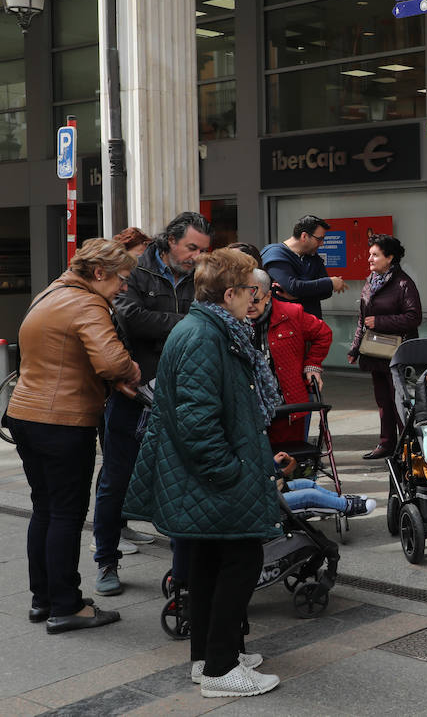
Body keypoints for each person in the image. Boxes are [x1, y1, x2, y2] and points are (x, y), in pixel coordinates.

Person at [124, 248, 283, 698]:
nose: (256, 299)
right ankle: (219, 670)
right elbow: (198, 420)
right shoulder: (204, 336)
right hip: (212, 474)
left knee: (212, 562)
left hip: (206, 473)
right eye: (250, 291)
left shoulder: (211, 328)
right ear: (229, 293)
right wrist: (227, 471)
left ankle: (213, 655)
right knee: (240, 561)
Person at [4, 238, 140, 633]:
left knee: (44, 509)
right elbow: (112, 360)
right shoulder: (87, 303)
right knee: (66, 513)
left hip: (25, 415)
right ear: (99, 273)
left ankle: (42, 599)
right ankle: (68, 606)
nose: (123, 288)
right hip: (62, 421)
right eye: (122, 279)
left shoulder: (51, 292)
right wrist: (130, 370)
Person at [94, 210, 212, 596]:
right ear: (170, 241)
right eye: (191, 247)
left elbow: (210, 316)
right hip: (134, 390)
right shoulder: (134, 270)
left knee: (178, 479)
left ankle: (185, 572)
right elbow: (129, 319)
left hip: (182, 390)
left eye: (202, 250)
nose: (197, 256)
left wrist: (167, 324)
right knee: (115, 479)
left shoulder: (200, 275)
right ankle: (106, 561)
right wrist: (187, 325)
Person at [347, 234, 422, 459]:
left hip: (397, 353)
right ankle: (386, 444)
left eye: (375, 255)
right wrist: (355, 348)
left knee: (399, 400)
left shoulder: (404, 283)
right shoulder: (371, 281)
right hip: (374, 351)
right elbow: (363, 318)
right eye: (370, 254)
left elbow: (413, 317)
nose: (369, 259)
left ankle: (408, 447)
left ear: (389, 258)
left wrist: (379, 322)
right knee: (382, 400)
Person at [245, 268, 333, 446]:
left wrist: (313, 365)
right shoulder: (233, 319)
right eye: (244, 300)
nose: (249, 306)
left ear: (268, 296)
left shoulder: (291, 313)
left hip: (287, 405)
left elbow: (323, 333)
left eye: (255, 300)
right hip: (250, 408)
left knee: (290, 459)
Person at [261, 215, 347, 319]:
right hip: (286, 327)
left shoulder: (312, 257)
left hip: (312, 326)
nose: (322, 244)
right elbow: (292, 286)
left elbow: (326, 292)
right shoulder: (275, 253)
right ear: (304, 236)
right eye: (319, 239)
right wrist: (330, 282)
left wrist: (298, 295)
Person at [273, 453, 374, 516]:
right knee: (310, 495)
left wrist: (274, 463)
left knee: (307, 483)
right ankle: (345, 506)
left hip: (273, 489)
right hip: (270, 501)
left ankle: (338, 499)